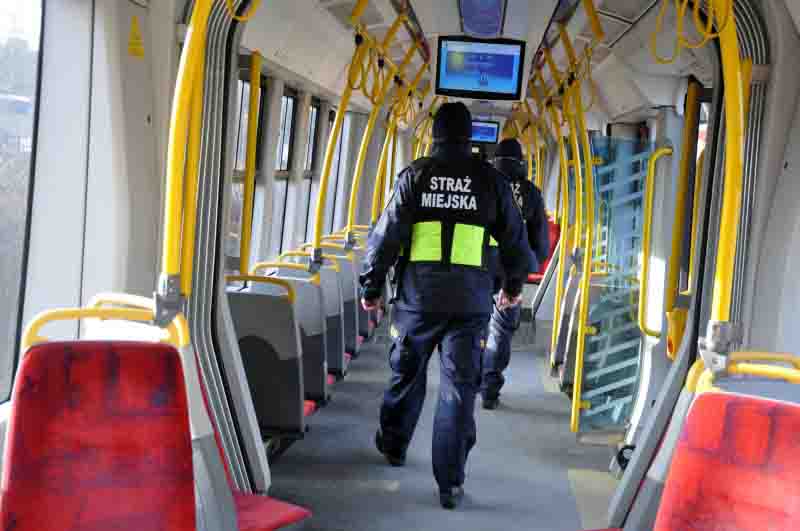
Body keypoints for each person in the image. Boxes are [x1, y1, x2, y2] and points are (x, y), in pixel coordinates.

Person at [360, 102, 531, 510]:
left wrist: (371, 287)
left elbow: (385, 238)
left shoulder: (415, 176)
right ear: (470, 136)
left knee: (406, 374)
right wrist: (512, 285)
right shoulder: (492, 182)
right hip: (471, 305)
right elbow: (514, 241)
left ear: (434, 134)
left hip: (418, 300)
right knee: (458, 390)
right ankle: (450, 484)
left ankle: (395, 446)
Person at [481, 138, 549, 410]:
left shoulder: (483, 185)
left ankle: (469, 378)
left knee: (473, 326)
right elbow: (540, 244)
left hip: (478, 266)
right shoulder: (531, 193)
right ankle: (490, 390)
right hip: (513, 272)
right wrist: (525, 269)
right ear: (521, 162)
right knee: (501, 331)